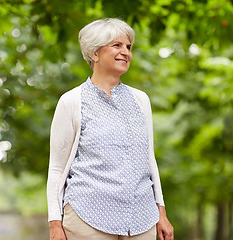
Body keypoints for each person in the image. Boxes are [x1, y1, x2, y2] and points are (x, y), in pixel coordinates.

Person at [47, 18, 174, 240]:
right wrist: (55, 224)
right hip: (88, 218)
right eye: (117, 45)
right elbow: (57, 169)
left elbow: (148, 159)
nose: (125, 52)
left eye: (128, 47)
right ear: (94, 53)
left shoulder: (141, 100)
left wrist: (160, 212)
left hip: (142, 219)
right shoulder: (72, 101)